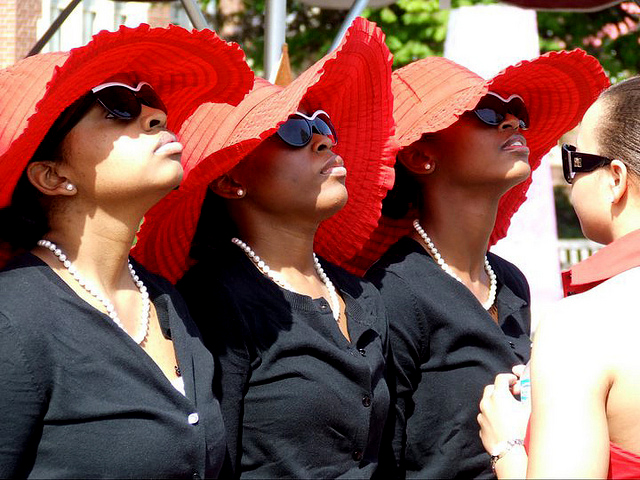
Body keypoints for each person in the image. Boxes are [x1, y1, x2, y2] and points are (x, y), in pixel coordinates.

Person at [133, 17, 398, 479]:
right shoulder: (214, 297)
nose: (323, 140)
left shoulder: (360, 295)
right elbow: (215, 461)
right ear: (232, 180)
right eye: (292, 131)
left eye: (324, 124)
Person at [0, 24, 253, 478]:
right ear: (52, 177)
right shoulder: (12, 318)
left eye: (151, 97)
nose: (156, 114)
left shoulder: (168, 301)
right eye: (117, 105)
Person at [344, 51, 609, 478]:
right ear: (420, 158)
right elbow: (379, 458)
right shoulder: (391, 292)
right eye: (485, 113)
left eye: (515, 111)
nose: (512, 123)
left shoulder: (510, 281)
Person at [478, 76, 640, 479]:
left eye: (575, 162)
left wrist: (509, 444)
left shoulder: (586, 325)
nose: (571, 182)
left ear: (615, 180)